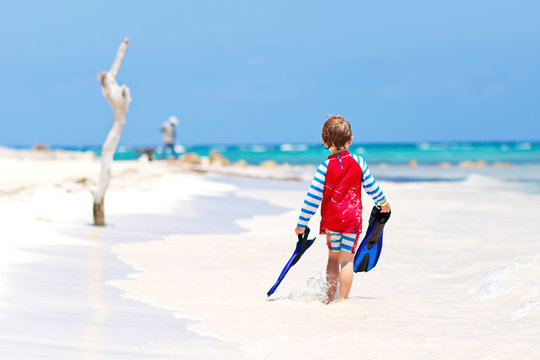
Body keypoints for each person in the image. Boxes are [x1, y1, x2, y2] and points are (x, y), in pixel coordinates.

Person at [294, 115, 391, 303]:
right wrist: (384, 204)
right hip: (353, 220)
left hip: (333, 222)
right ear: (351, 139)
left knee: (333, 257)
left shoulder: (324, 167)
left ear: (324, 141)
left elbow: (312, 199)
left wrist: (301, 224)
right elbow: (373, 188)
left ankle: (330, 299)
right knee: (347, 259)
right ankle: (343, 301)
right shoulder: (358, 162)